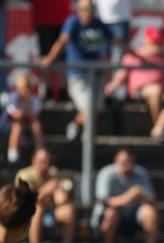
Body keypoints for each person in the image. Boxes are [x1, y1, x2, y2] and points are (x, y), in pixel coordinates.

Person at [42, 0, 130, 141]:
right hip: (79, 75)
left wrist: (139, 57)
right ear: (78, 9)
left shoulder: (98, 23)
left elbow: (118, 41)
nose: (88, 12)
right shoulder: (73, 22)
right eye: (84, 8)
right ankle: (75, 126)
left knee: (96, 111)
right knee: (89, 109)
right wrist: (50, 58)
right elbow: (62, 41)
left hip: (96, 75)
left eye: (91, 8)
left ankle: (90, 145)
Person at [105, 26, 164, 141]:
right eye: (153, 42)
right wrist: (112, 87)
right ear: (145, 40)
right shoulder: (134, 56)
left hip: (160, 90)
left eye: (157, 42)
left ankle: (158, 128)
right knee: (155, 90)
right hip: (139, 92)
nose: (155, 45)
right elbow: (121, 76)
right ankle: (158, 128)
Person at [93, 148, 160, 243]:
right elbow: (105, 202)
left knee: (150, 212)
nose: (127, 165)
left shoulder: (141, 173)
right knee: (111, 213)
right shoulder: (106, 174)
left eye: (129, 162)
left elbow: (152, 200)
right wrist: (129, 196)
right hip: (109, 220)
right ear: (116, 161)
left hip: (133, 219)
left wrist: (142, 197)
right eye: (123, 162)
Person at [16, 148, 76, 243]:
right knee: (38, 209)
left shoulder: (53, 174)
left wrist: (63, 195)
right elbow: (26, 201)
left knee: (69, 210)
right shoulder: (24, 176)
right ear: (34, 161)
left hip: (50, 212)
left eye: (48, 161)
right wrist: (47, 189)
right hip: (28, 214)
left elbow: (59, 200)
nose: (45, 165)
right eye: (42, 161)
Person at [0, 74, 44, 166]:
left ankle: (40, 153)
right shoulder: (13, 97)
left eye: (24, 87)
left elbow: (34, 117)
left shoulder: (34, 100)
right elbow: (16, 115)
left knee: (36, 126)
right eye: (19, 87)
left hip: (25, 127)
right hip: (6, 126)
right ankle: (12, 158)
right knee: (17, 126)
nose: (22, 90)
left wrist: (27, 104)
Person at [32, 0, 71, 103]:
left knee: (62, 57)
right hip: (43, 18)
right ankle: (48, 92)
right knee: (45, 57)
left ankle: (62, 92)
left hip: (63, 18)